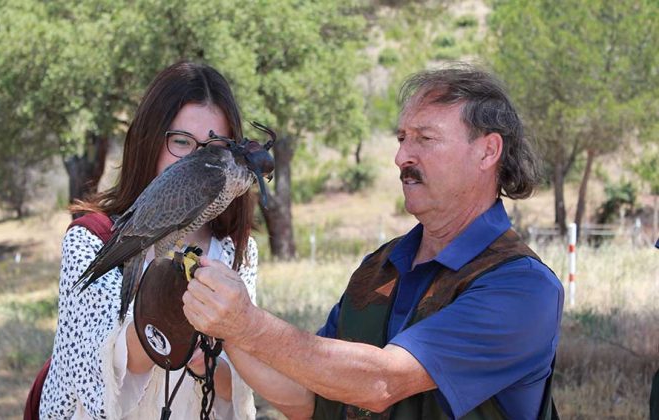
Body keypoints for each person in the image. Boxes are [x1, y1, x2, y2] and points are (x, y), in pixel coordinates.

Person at [182, 65, 564, 419]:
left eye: (425, 138)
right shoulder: (380, 265)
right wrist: (227, 332)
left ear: (487, 151)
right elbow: (308, 396)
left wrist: (248, 324)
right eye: (401, 138)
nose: (401, 157)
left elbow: (381, 383)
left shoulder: (522, 287)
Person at [39, 61, 259, 419]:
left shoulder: (237, 251)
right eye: (182, 141)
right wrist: (168, 321)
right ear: (150, 141)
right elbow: (88, 377)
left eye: (214, 146)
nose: (197, 158)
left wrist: (207, 359)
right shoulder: (91, 240)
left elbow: (237, 392)